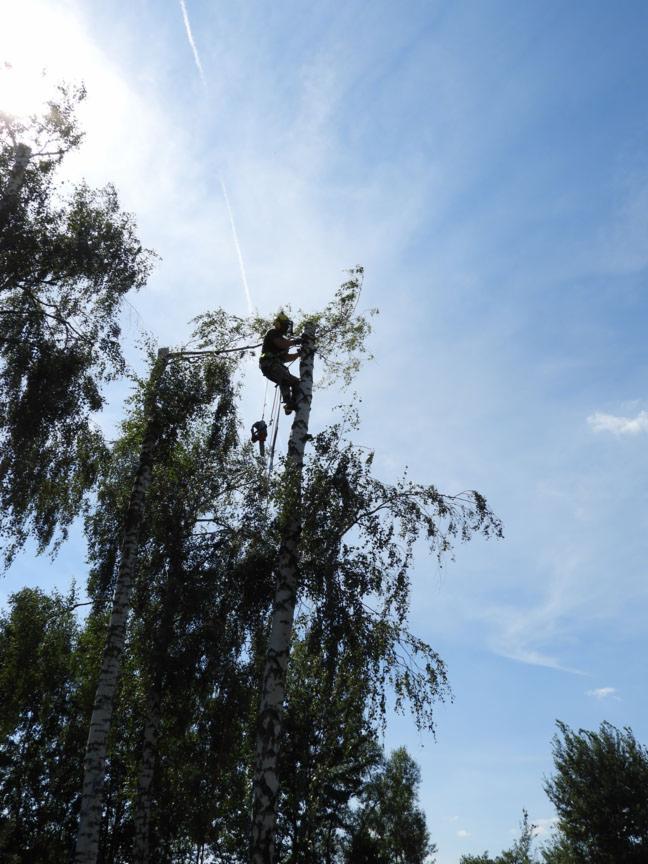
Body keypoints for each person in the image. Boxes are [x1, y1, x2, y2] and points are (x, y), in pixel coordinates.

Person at [259, 312, 302, 414]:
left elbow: (285, 358)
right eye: (285, 325)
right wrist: (295, 342)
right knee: (293, 381)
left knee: (290, 381)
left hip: (273, 366)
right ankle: (289, 402)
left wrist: (298, 354)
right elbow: (281, 344)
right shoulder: (273, 333)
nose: (286, 328)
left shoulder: (283, 340)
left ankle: (290, 404)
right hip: (269, 364)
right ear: (279, 324)